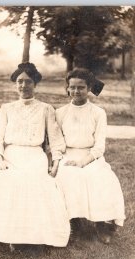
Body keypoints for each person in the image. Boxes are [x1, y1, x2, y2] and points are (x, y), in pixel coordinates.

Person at [0, 62, 70, 248]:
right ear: (15, 84)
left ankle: (34, 237)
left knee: (34, 183)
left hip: (35, 155)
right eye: (20, 81)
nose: (23, 86)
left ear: (35, 84)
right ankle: (8, 234)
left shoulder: (46, 109)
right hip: (11, 154)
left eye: (28, 82)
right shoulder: (7, 108)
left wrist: (56, 162)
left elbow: (56, 140)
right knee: (3, 181)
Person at [56, 68, 125, 244]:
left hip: (90, 156)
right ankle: (74, 223)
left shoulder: (98, 112)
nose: (76, 91)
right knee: (67, 176)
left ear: (88, 88)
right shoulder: (60, 112)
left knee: (100, 176)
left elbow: (99, 146)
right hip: (68, 154)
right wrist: (59, 160)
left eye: (81, 87)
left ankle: (102, 223)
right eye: (72, 87)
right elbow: (56, 142)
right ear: (67, 88)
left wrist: (83, 161)